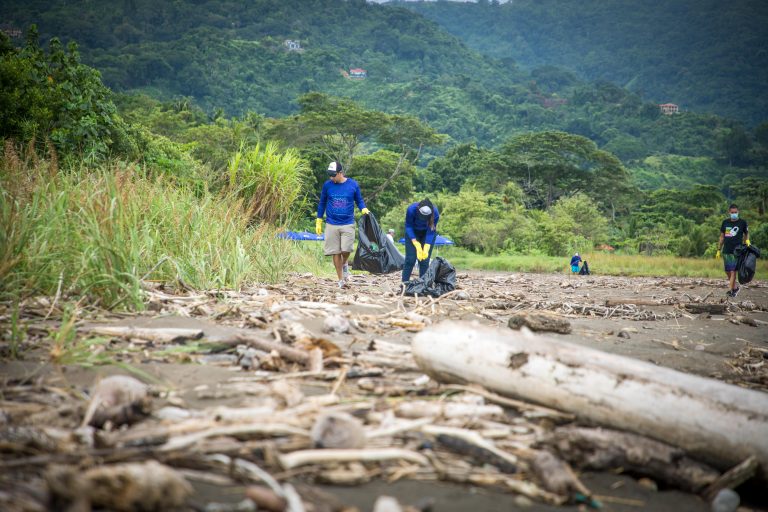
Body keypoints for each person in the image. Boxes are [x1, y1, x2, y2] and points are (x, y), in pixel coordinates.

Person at [316, 161, 370, 288]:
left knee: (346, 249)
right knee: (336, 252)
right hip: (331, 223)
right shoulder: (327, 185)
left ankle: (345, 263)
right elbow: (322, 203)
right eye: (330, 175)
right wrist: (319, 219)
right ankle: (341, 280)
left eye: (333, 175)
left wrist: (363, 208)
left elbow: (359, 200)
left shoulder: (353, 184)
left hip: (347, 223)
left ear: (340, 173)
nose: (331, 178)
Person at [403, 198, 440, 282]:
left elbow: (431, 230)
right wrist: (415, 242)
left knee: (424, 260)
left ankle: (423, 284)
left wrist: (427, 245)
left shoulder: (435, 213)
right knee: (410, 259)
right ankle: (404, 283)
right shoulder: (411, 209)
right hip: (413, 232)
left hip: (427, 233)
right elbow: (408, 226)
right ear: (418, 210)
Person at [717, 203, 749, 297]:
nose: (734, 214)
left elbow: (746, 233)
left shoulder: (742, 222)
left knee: (733, 271)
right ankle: (735, 288)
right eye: (732, 212)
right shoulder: (725, 222)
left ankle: (730, 291)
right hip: (726, 250)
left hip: (737, 250)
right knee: (727, 270)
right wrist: (719, 249)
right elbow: (722, 237)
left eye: (735, 212)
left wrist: (747, 241)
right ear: (729, 212)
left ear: (738, 212)